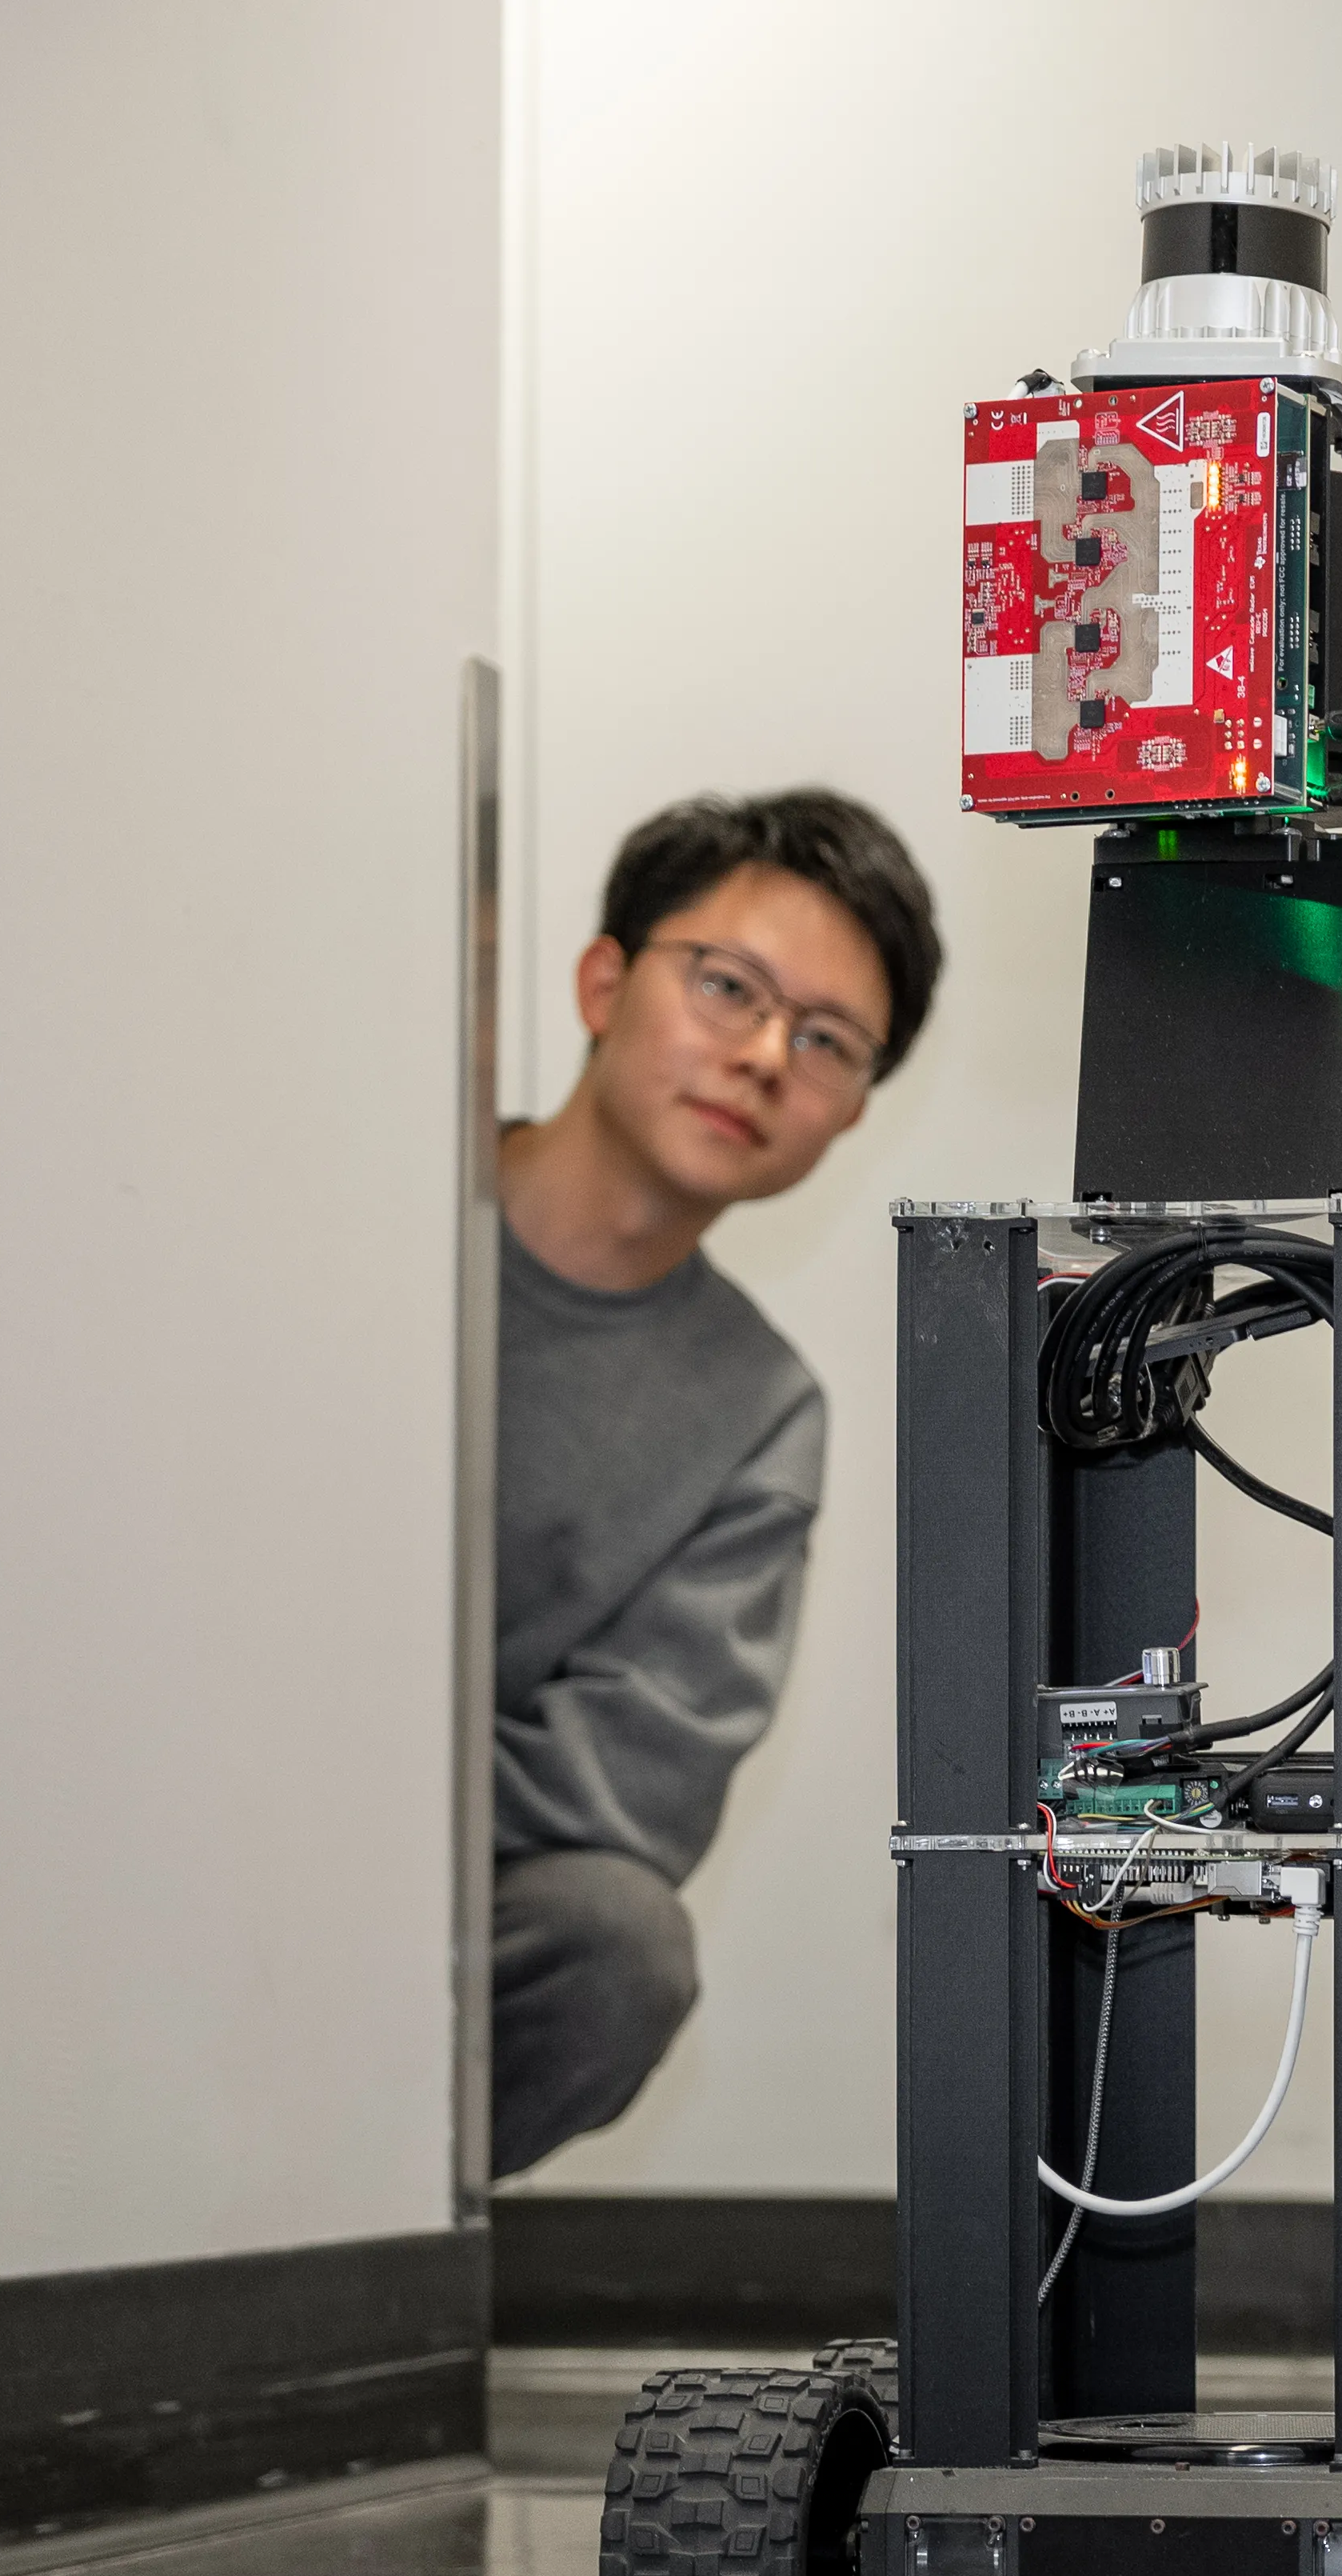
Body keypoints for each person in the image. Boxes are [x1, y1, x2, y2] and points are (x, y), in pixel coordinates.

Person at [491, 790, 940, 2176]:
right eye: (731, 987)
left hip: (432, 1880)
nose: (760, 1056)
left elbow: (626, 1790)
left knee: (618, 1946)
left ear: (849, 1115)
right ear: (604, 979)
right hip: (158, 1773)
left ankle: (332, 2271)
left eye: (823, 1042)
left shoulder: (759, 1414)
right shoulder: (351, 1207)